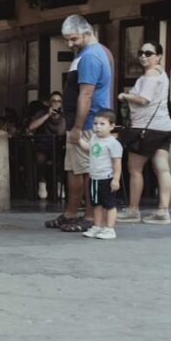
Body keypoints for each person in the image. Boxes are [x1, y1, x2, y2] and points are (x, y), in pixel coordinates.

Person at [45, 14, 111, 233]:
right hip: (80, 123)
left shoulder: (91, 56)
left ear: (86, 32)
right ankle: (71, 213)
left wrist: (77, 128)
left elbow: (86, 95)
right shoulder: (87, 53)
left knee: (88, 171)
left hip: (87, 124)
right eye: (66, 39)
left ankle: (91, 217)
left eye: (73, 39)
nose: (69, 44)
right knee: (73, 169)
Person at [116, 41, 171, 225]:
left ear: (158, 56)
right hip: (164, 127)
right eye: (141, 52)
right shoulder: (162, 74)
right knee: (162, 168)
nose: (143, 56)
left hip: (146, 129)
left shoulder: (150, 74)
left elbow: (144, 99)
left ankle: (133, 210)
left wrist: (124, 95)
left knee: (134, 169)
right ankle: (163, 211)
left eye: (149, 53)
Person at [77, 109, 123, 240]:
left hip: (107, 178)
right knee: (96, 204)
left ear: (112, 126)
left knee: (109, 204)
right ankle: (97, 226)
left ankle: (109, 228)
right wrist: (79, 140)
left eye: (102, 124)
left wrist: (116, 179)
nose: (97, 127)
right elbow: (89, 149)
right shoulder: (93, 138)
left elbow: (117, 163)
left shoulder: (113, 143)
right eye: (95, 123)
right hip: (94, 177)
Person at [28, 91, 66, 199]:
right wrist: (47, 115)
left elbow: (61, 131)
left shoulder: (64, 115)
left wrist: (60, 116)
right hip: (43, 146)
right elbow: (31, 127)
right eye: (53, 101)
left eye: (59, 101)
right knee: (40, 158)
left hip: (59, 146)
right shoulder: (42, 113)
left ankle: (60, 184)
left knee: (62, 159)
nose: (56, 104)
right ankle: (42, 183)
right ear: (49, 103)